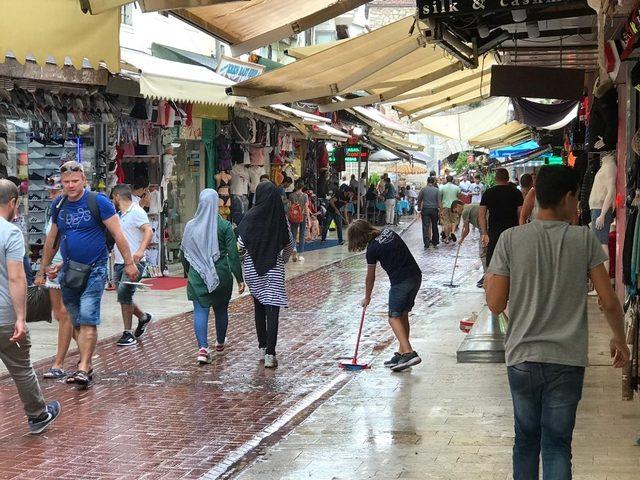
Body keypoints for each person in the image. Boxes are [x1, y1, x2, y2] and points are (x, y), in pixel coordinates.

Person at [485, 165, 630, 480]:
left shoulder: (510, 239)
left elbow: (495, 305)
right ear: (568, 198)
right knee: (557, 445)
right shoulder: (583, 239)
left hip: (522, 358)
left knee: (525, 442)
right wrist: (620, 340)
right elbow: (608, 301)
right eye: (577, 198)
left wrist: (490, 277)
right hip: (567, 361)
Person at [37, 161, 138, 387]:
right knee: (75, 320)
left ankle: (83, 367)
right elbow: (52, 239)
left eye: (74, 181)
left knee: (88, 316)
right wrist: (44, 268)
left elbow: (118, 234)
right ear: (61, 183)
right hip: (69, 270)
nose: (70, 186)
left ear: (83, 179)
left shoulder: (98, 201)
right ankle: (87, 364)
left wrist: (129, 262)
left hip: (96, 268)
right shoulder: (59, 204)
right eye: (66, 182)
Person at [0, 179, 61, 434]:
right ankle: (37, 416)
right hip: (4, 315)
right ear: (13, 202)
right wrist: (21, 317)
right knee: (21, 368)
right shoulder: (10, 232)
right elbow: (16, 277)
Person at [348, 220, 422, 372]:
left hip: (400, 282)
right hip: (415, 276)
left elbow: (370, 276)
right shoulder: (389, 232)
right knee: (402, 315)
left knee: (393, 317)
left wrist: (367, 297)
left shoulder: (372, 249)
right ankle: (402, 353)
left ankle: (409, 352)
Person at [181, 189, 244, 364]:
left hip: (197, 275)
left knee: (200, 311)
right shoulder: (224, 226)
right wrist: (239, 278)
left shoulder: (191, 226)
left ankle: (202, 348)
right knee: (221, 310)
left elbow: (184, 253)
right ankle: (220, 343)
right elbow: (233, 254)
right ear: (216, 203)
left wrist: (188, 271)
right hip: (221, 274)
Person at [238, 181, 295, 368]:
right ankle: (271, 354)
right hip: (274, 268)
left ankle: (262, 348)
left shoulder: (249, 217)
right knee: (273, 310)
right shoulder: (280, 218)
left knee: (259, 307)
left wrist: (246, 259)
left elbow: (240, 245)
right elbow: (288, 246)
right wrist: (282, 261)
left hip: (253, 268)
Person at [111, 184, 154, 347]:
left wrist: (140, 251)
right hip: (119, 263)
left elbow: (148, 231)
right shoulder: (119, 215)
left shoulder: (136, 211)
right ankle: (143, 318)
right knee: (123, 297)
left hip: (134, 263)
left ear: (116, 197)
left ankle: (127, 333)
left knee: (124, 295)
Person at [479, 168, 523, 267]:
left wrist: (484, 233)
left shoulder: (488, 193)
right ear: (508, 178)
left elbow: (481, 215)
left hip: (494, 232)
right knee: (512, 260)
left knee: (493, 261)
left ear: (495, 178)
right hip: (512, 231)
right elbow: (521, 214)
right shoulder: (516, 193)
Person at [458, 203, 486, 288]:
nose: (457, 213)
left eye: (456, 210)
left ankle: (486, 276)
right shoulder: (472, 205)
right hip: (491, 227)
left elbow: (466, 230)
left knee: (483, 253)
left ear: (458, 206)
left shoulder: (465, 212)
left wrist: (461, 239)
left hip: (484, 231)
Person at [417, 177, 441, 248]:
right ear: (433, 182)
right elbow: (439, 202)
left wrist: (419, 207)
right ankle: (435, 241)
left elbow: (419, 199)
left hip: (426, 209)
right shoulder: (437, 190)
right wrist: (440, 209)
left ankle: (426, 242)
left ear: (427, 181)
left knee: (425, 226)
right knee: (434, 225)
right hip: (434, 209)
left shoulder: (423, 190)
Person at [289, 180, 309, 261]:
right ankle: (301, 255)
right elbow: (306, 208)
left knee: (293, 234)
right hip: (303, 216)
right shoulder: (305, 196)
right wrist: (309, 219)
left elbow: (290, 207)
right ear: (302, 186)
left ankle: (294, 249)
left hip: (294, 216)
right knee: (302, 234)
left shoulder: (291, 195)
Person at [439, 175, 461, 243]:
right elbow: (459, 196)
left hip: (445, 206)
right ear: (452, 180)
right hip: (454, 206)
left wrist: (441, 207)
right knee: (454, 221)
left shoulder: (442, 187)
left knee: (446, 223)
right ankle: (453, 232)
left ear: (446, 180)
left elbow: (440, 197)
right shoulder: (457, 187)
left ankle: (447, 238)